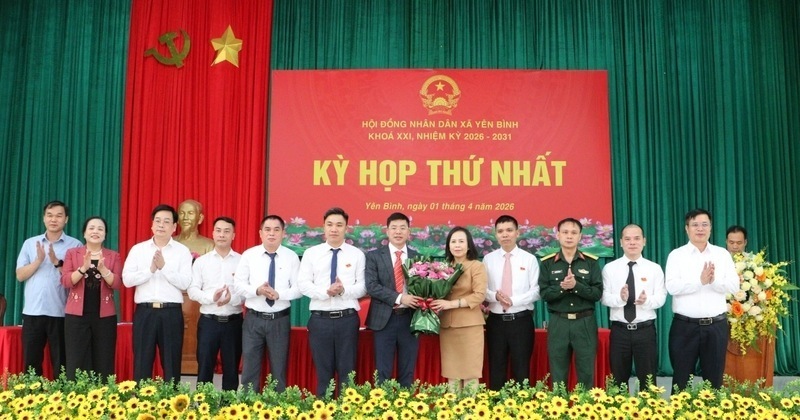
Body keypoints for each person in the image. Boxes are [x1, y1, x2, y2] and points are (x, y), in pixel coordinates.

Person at [665, 209, 739, 389]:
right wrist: (699, 281)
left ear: (711, 228)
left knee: (714, 381)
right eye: (695, 225)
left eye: (704, 224)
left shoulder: (722, 254)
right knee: (681, 380)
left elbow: (734, 286)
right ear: (687, 229)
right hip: (685, 327)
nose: (700, 229)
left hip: (716, 327)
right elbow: (672, 287)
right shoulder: (676, 255)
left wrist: (714, 281)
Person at [298, 207, 366, 397]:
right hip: (320, 320)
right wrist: (325, 292)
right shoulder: (311, 253)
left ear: (346, 228)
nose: (334, 229)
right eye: (330, 225)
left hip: (347, 320)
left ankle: (346, 412)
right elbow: (303, 285)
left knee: (347, 372)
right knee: (323, 373)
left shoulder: (357, 255)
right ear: (324, 227)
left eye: (339, 225)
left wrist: (343, 290)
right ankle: (324, 412)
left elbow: (362, 287)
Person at [122, 204, 193, 383]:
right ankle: (141, 403)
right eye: (158, 221)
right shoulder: (138, 250)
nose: (161, 225)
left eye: (166, 221)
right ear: (152, 225)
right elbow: (127, 280)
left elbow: (185, 282)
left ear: (174, 227)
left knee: (171, 361)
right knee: (142, 361)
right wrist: (150, 270)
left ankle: (172, 404)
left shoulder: (182, 251)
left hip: (171, 312)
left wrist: (164, 267)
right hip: (145, 312)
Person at [234, 215, 301, 392]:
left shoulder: (291, 257)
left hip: (279, 320)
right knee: (250, 369)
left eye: (276, 230)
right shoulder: (249, 255)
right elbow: (238, 286)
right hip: (253, 319)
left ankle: (277, 410)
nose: (272, 234)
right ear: (260, 233)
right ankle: (248, 409)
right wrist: (257, 290)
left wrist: (279, 294)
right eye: (267, 230)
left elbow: (299, 289)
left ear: (283, 234)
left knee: (278, 370)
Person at [15, 200, 82, 376]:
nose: (54, 219)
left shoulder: (75, 246)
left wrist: (55, 262)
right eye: (50, 215)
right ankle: (31, 398)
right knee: (31, 362)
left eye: (59, 215)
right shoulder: (30, 243)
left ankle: (61, 399)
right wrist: (38, 260)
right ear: (44, 218)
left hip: (60, 313)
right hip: (33, 313)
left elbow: (77, 279)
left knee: (61, 363)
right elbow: (20, 275)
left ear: (66, 219)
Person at [538, 217, 603, 390]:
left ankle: (585, 411)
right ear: (557, 235)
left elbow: (597, 293)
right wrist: (562, 288)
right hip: (559, 322)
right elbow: (544, 294)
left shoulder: (591, 262)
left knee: (586, 374)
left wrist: (577, 286)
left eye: (573, 233)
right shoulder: (547, 263)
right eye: (565, 232)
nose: (569, 236)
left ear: (580, 236)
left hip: (585, 323)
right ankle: (559, 413)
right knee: (558, 375)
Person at [601, 223, 666, 390]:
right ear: (621, 242)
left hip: (645, 331)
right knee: (618, 380)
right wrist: (620, 298)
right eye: (627, 239)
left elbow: (661, 298)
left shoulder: (654, 269)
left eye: (637, 238)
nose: (632, 242)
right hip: (619, 331)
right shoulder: (610, 268)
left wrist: (647, 301)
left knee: (648, 380)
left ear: (644, 241)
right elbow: (604, 298)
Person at [60, 216, 123, 380]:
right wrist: (83, 268)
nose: (96, 231)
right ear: (85, 233)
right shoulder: (73, 254)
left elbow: (117, 283)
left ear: (105, 235)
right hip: (76, 316)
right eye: (92, 228)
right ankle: (76, 397)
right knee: (76, 359)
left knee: (104, 359)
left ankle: (103, 399)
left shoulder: (113, 256)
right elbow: (66, 281)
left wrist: (103, 270)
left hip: (104, 316)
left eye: (100, 229)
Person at [483, 215, 540, 390]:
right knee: (496, 369)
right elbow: (482, 290)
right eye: (500, 231)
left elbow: (536, 291)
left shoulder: (529, 259)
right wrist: (495, 297)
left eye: (509, 230)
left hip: (521, 321)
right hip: (496, 322)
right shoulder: (488, 259)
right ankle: (495, 411)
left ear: (517, 232)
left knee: (521, 369)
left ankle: (523, 411)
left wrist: (512, 300)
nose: (505, 235)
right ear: (495, 235)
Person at [365, 212, 421, 387]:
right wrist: (400, 297)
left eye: (402, 228)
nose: (398, 232)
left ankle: (405, 409)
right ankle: (382, 410)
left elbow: (424, 285)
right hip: (384, 320)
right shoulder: (374, 256)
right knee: (382, 371)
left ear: (408, 232)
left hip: (410, 319)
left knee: (407, 370)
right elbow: (372, 286)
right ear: (387, 231)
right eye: (394, 228)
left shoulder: (417, 257)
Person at [187, 216, 242, 390]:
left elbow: (246, 292)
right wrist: (212, 298)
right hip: (208, 322)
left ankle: (229, 408)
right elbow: (192, 290)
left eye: (227, 231)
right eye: (218, 231)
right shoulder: (202, 262)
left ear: (233, 235)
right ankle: (205, 407)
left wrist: (230, 299)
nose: (222, 235)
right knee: (204, 367)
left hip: (233, 322)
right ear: (212, 233)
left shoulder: (242, 261)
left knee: (232, 369)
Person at [431, 227, 487, 393]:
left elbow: (479, 295)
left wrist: (452, 304)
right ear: (448, 246)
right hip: (447, 326)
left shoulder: (476, 266)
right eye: (453, 241)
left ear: (469, 245)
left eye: (461, 241)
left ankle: (471, 414)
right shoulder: (442, 268)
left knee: (470, 373)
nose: (457, 245)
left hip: (470, 326)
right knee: (452, 374)